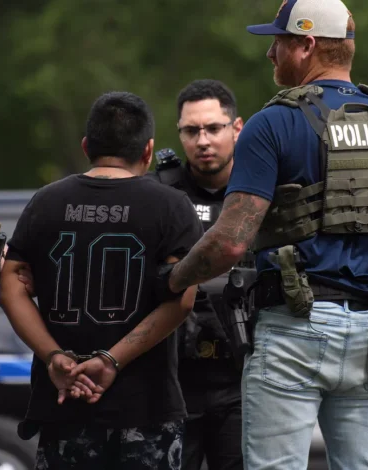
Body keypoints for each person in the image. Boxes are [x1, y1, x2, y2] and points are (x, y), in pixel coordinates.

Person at [163, 0, 368, 468]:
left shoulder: (273, 123)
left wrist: (174, 279)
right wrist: (359, 262)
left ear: (307, 45)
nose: (270, 53)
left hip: (294, 328)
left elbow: (230, 242)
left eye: (278, 42)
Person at [0, 91, 205, 469]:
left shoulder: (45, 202)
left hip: (64, 404)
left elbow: (9, 287)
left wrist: (54, 356)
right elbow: (182, 300)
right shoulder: (173, 206)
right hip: (146, 410)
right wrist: (111, 360)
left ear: (86, 146)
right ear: (148, 150)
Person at [146, 79, 246, 470]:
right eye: (191, 131)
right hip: (173, 381)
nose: (203, 141)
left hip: (245, 379)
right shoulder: (159, 194)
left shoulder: (260, 191)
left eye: (213, 128)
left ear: (236, 128)